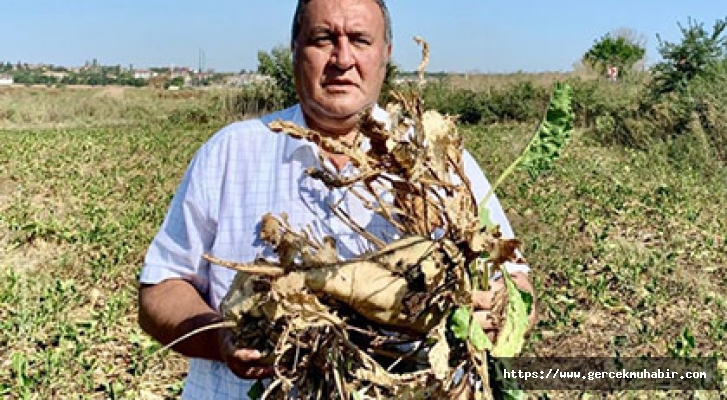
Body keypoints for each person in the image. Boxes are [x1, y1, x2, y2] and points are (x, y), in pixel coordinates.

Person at [138, 0, 537, 398]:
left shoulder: (439, 162)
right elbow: (160, 290)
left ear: (385, 55)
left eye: (360, 40)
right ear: (295, 50)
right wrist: (223, 340)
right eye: (323, 39)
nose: (342, 59)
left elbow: (519, 285)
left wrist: (498, 310)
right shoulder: (229, 152)